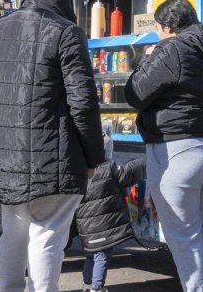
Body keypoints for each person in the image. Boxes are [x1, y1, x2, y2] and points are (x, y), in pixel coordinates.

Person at [0, 0, 104, 292]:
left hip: (6, 160)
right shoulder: (66, 32)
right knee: (47, 234)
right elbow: (83, 102)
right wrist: (94, 157)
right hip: (56, 161)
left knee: (13, 232)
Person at [125, 0, 203, 292]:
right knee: (195, 233)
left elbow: (135, 94)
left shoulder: (172, 49)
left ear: (167, 27)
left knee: (183, 242)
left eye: (159, 31)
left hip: (178, 153)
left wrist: (148, 58)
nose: (159, 37)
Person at [74, 122, 146, 292]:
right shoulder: (109, 169)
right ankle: (97, 288)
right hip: (105, 227)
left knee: (91, 255)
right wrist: (146, 161)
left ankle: (87, 284)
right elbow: (129, 173)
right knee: (102, 256)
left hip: (87, 227)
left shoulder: (79, 171)